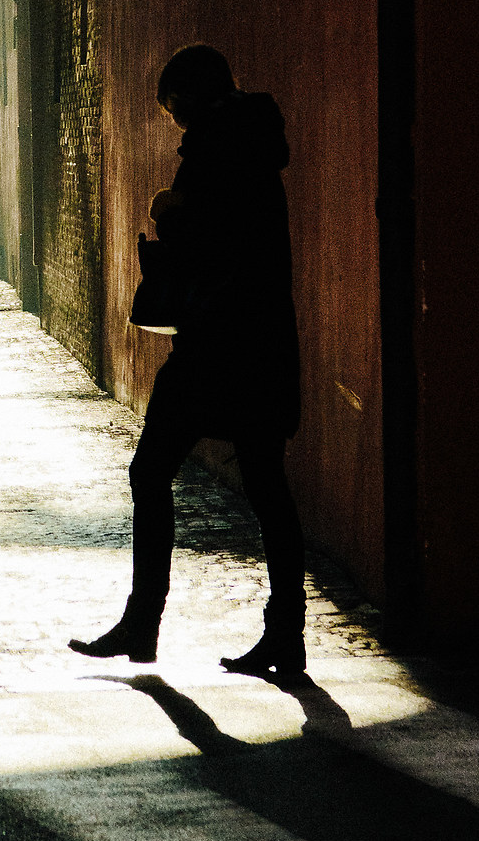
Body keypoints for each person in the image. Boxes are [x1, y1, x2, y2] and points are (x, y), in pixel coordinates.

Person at [70, 44, 306, 678]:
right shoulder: (255, 144)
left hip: (214, 345)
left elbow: (212, 243)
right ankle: (286, 631)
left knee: (151, 472)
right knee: (266, 487)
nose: (170, 118)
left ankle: (143, 621)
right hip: (261, 343)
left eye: (171, 104)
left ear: (193, 97)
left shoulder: (213, 148)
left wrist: (169, 212)